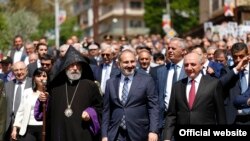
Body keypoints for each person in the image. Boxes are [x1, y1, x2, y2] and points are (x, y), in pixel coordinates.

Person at [34, 47, 103, 141]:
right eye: (72, 65)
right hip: (60, 134)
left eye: (78, 65)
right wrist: (44, 100)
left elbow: (100, 107)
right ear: (65, 66)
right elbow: (47, 112)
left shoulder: (90, 85)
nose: (75, 68)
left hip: (82, 134)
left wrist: (90, 113)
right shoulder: (55, 87)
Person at [163, 52, 226, 141]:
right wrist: (166, 138)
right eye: (186, 65)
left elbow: (220, 115)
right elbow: (171, 115)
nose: (189, 68)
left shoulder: (213, 84)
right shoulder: (177, 86)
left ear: (201, 65)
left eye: (193, 64)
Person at [102, 49, 159, 141]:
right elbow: (106, 110)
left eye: (132, 62)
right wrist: (104, 135)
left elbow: (153, 107)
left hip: (139, 132)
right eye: (126, 62)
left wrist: (153, 131)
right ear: (118, 64)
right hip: (116, 133)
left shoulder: (146, 80)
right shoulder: (110, 83)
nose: (130, 65)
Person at [11, 68, 48, 141]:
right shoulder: (27, 92)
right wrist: (15, 129)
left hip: (43, 128)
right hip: (28, 128)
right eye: (39, 76)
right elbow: (20, 111)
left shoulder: (50, 93)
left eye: (44, 76)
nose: (41, 78)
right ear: (34, 78)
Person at [4, 61, 32, 141]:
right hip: (10, 124)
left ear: (26, 70)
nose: (19, 72)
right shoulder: (7, 85)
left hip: (27, 123)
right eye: (16, 70)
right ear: (13, 72)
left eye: (21, 69)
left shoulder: (33, 83)